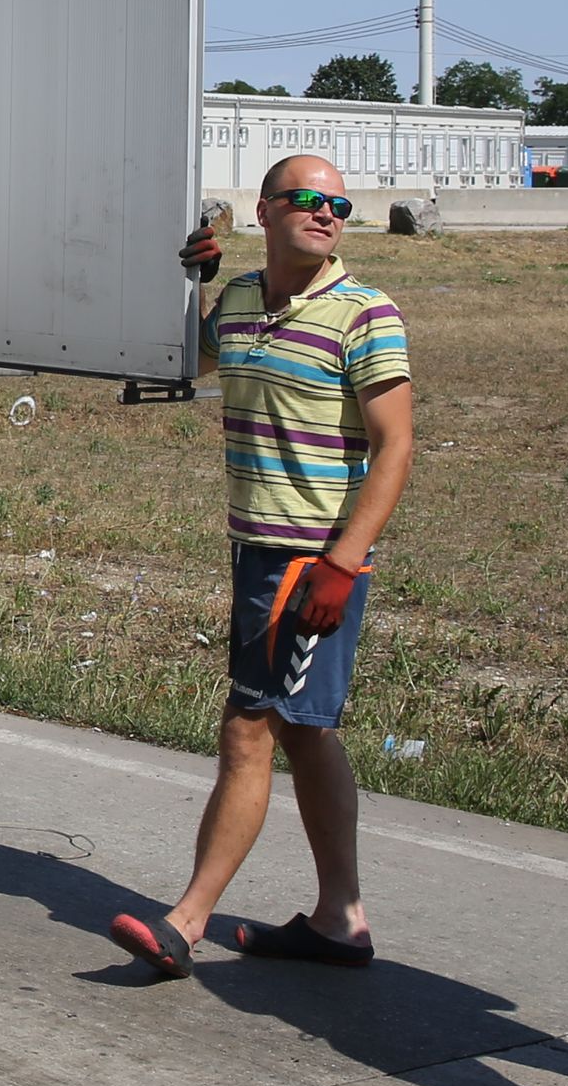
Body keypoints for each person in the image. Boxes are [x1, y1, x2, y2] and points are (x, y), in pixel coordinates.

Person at [110, 156, 418, 979]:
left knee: (250, 728)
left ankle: (186, 919)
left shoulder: (366, 314)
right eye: (308, 200)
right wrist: (193, 284)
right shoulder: (243, 301)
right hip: (256, 551)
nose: (326, 213)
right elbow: (181, 358)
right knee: (308, 731)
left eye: (338, 205)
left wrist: (344, 563)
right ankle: (340, 918)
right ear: (266, 208)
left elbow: (395, 448)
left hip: (312, 561)